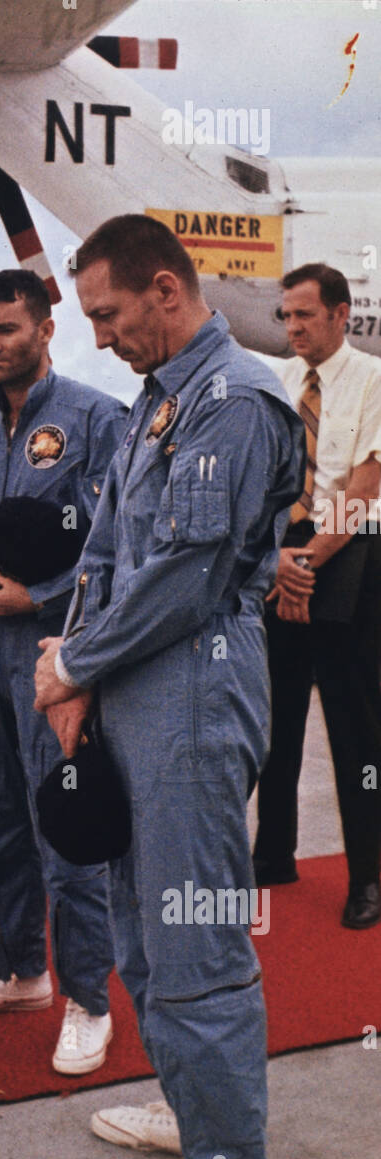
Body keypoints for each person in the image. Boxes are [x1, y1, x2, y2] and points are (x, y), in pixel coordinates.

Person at [35, 214, 305, 1159]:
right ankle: (194, 1104)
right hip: (133, 679)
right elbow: (105, 552)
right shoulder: (159, 401)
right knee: (141, 918)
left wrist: (72, 665)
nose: (98, 336)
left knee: (194, 928)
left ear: (163, 289)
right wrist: (75, 665)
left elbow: (187, 578)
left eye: (105, 313)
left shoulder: (234, 401)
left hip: (194, 686)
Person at [0, 269, 125, 1074]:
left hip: (58, 652)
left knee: (66, 825)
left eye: (5, 330)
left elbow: (118, 540)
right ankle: (19, 971)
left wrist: (38, 595)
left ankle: (87, 999)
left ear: (45, 330)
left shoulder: (95, 419)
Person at [252, 263, 381, 928]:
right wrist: (277, 561)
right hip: (283, 560)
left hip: (350, 563)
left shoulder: (373, 379)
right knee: (273, 723)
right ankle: (272, 853)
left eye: (304, 315)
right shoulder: (274, 385)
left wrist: (302, 562)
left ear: (339, 312)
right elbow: (262, 482)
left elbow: (363, 488)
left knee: (355, 732)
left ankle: (367, 876)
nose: (293, 327)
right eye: (286, 316)